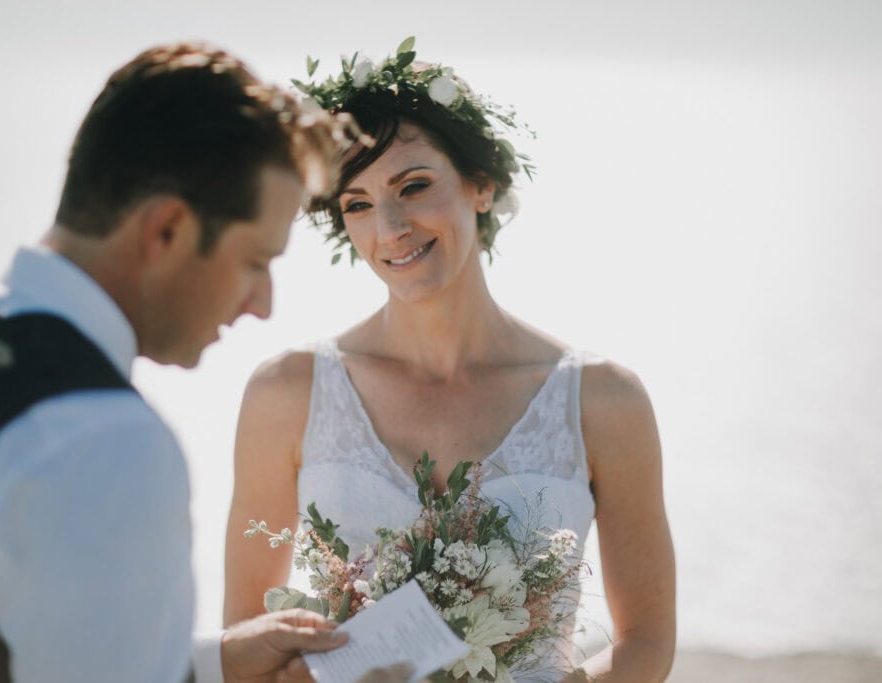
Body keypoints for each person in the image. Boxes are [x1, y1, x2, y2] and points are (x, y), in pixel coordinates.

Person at [0, 41, 411, 683]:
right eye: (256, 262)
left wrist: (220, 662)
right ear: (166, 231)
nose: (262, 304)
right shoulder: (102, 439)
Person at [224, 39, 676, 682]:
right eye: (357, 203)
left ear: (481, 185)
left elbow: (647, 641)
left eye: (414, 186)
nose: (390, 227)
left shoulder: (605, 401)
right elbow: (243, 646)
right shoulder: (285, 394)